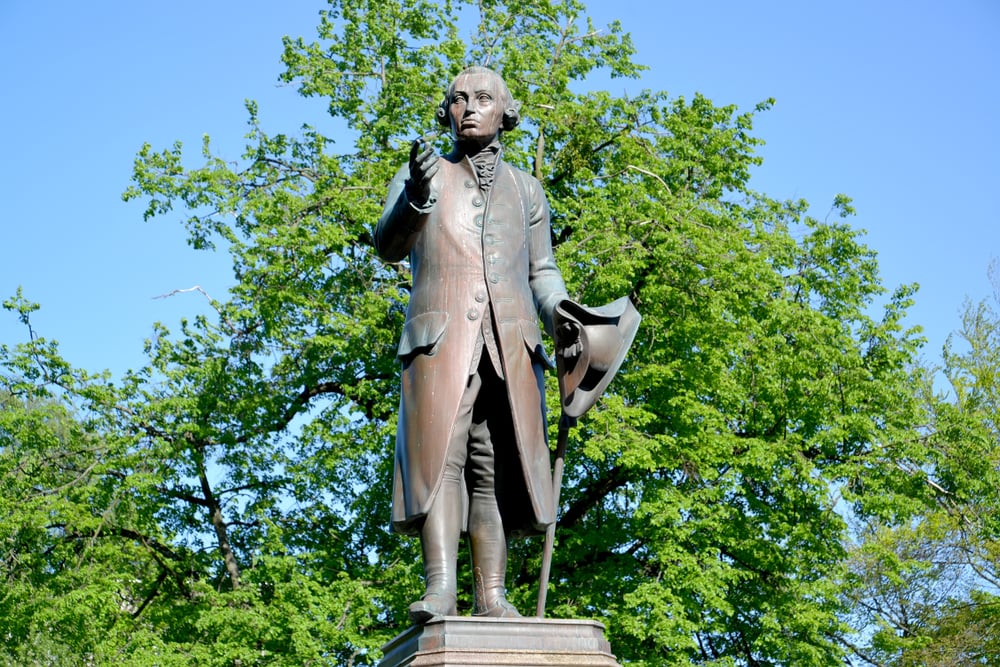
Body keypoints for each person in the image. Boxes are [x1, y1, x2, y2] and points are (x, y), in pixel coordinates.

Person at [374, 66, 577, 623]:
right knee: (441, 462)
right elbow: (387, 245)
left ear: (505, 111)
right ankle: (440, 588)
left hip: (509, 347)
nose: (469, 107)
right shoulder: (425, 173)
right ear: (447, 112)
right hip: (441, 346)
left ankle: (491, 596)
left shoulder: (526, 189)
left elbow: (542, 270)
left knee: (494, 471)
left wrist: (562, 311)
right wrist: (415, 198)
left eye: (482, 99)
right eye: (458, 99)